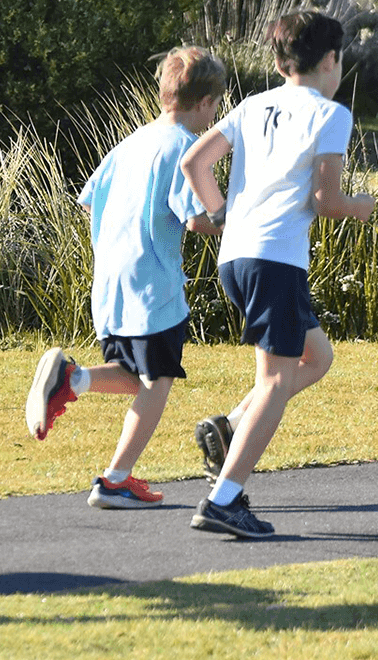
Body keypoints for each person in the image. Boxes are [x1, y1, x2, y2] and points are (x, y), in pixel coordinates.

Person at [178, 11, 374, 538]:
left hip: (236, 258)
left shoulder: (252, 104)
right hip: (276, 259)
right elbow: (326, 201)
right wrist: (361, 206)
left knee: (317, 357)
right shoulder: (330, 114)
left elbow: (194, 163)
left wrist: (221, 216)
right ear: (331, 60)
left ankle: (230, 428)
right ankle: (224, 499)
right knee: (275, 379)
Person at [24, 47, 227, 509]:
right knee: (158, 381)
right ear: (203, 103)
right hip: (152, 279)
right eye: (216, 104)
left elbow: (92, 200)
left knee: (135, 375)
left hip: (112, 276)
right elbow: (197, 219)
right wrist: (236, 217)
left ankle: (71, 380)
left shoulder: (131, 142)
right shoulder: (182, 148)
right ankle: (115, 479)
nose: (216, 113)